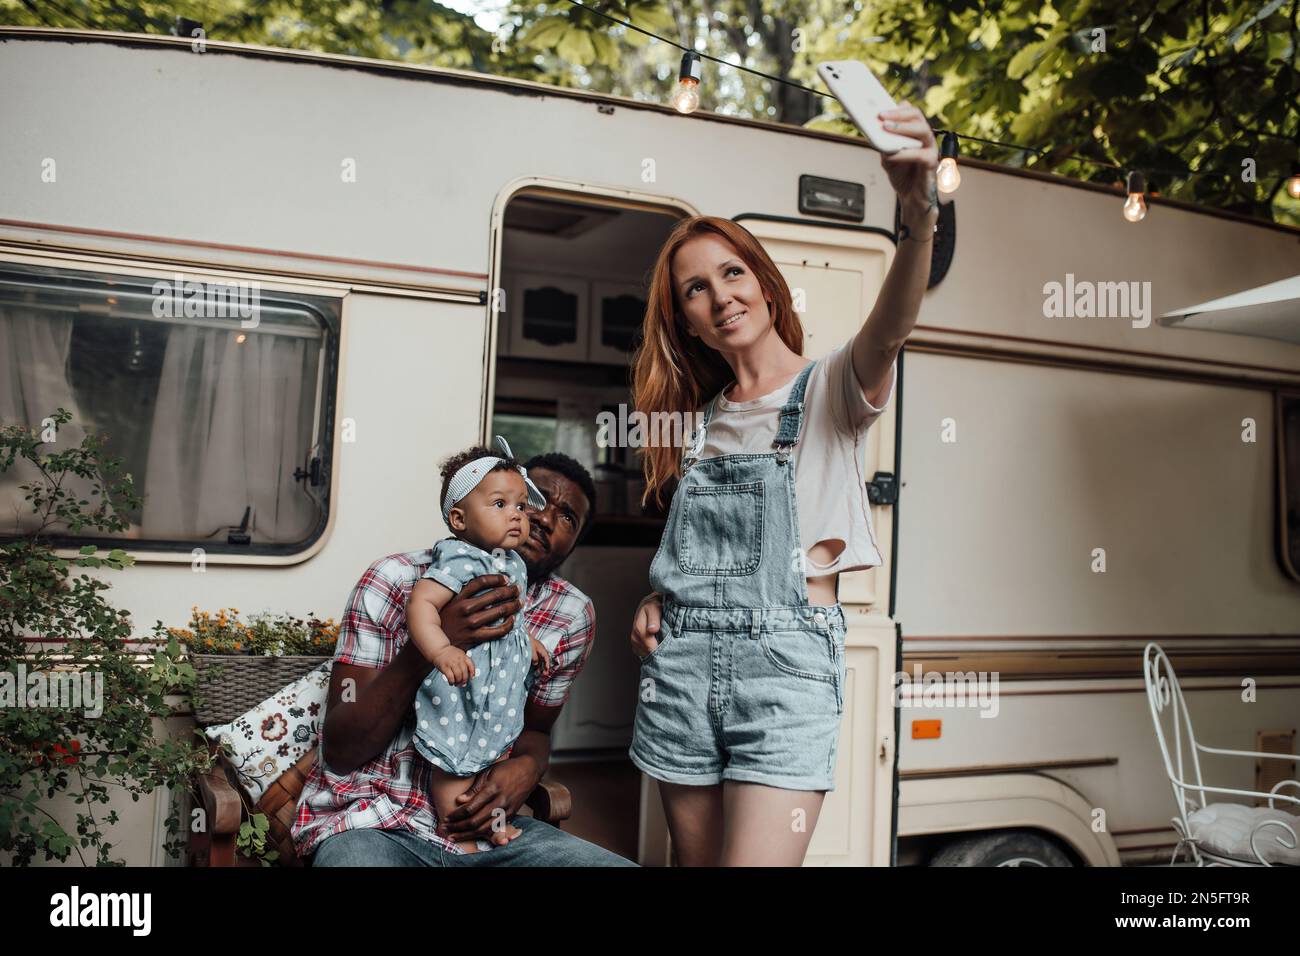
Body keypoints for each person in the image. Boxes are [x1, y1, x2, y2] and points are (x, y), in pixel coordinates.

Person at [626, 101, 938, 866]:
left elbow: (892, 326)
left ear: (766, 286)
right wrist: (656, 595)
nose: (720, 294)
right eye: (696, 289)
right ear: (686, 322)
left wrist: (918, 214)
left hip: (787, 666)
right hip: (683, 665)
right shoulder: (695, 423)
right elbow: (695, 555)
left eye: (732, 272)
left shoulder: (832, 389)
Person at [293, 451, 636, 866]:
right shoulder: (394, 578)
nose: (540, 518)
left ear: (575, 542)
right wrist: (440, 642)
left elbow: (537, 731)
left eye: (567, 518)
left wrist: (528, 767)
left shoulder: (570, 615)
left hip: (484, 832)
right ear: (467, 510)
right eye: (531, 499)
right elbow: (343, 748)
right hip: (372, 820)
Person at [406, 437, 554, 851]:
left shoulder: (512, 564)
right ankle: (457, 832)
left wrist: (529, 639)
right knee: (456, 763)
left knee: (488, 765)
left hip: (497, 693)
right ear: (458, 518)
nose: (517, 517)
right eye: (500, 505)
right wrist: (441, 650)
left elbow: (509, 613)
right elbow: (422, 604)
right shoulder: (459, 558)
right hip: (462, 688)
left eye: (522, 506)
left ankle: (489, 823)